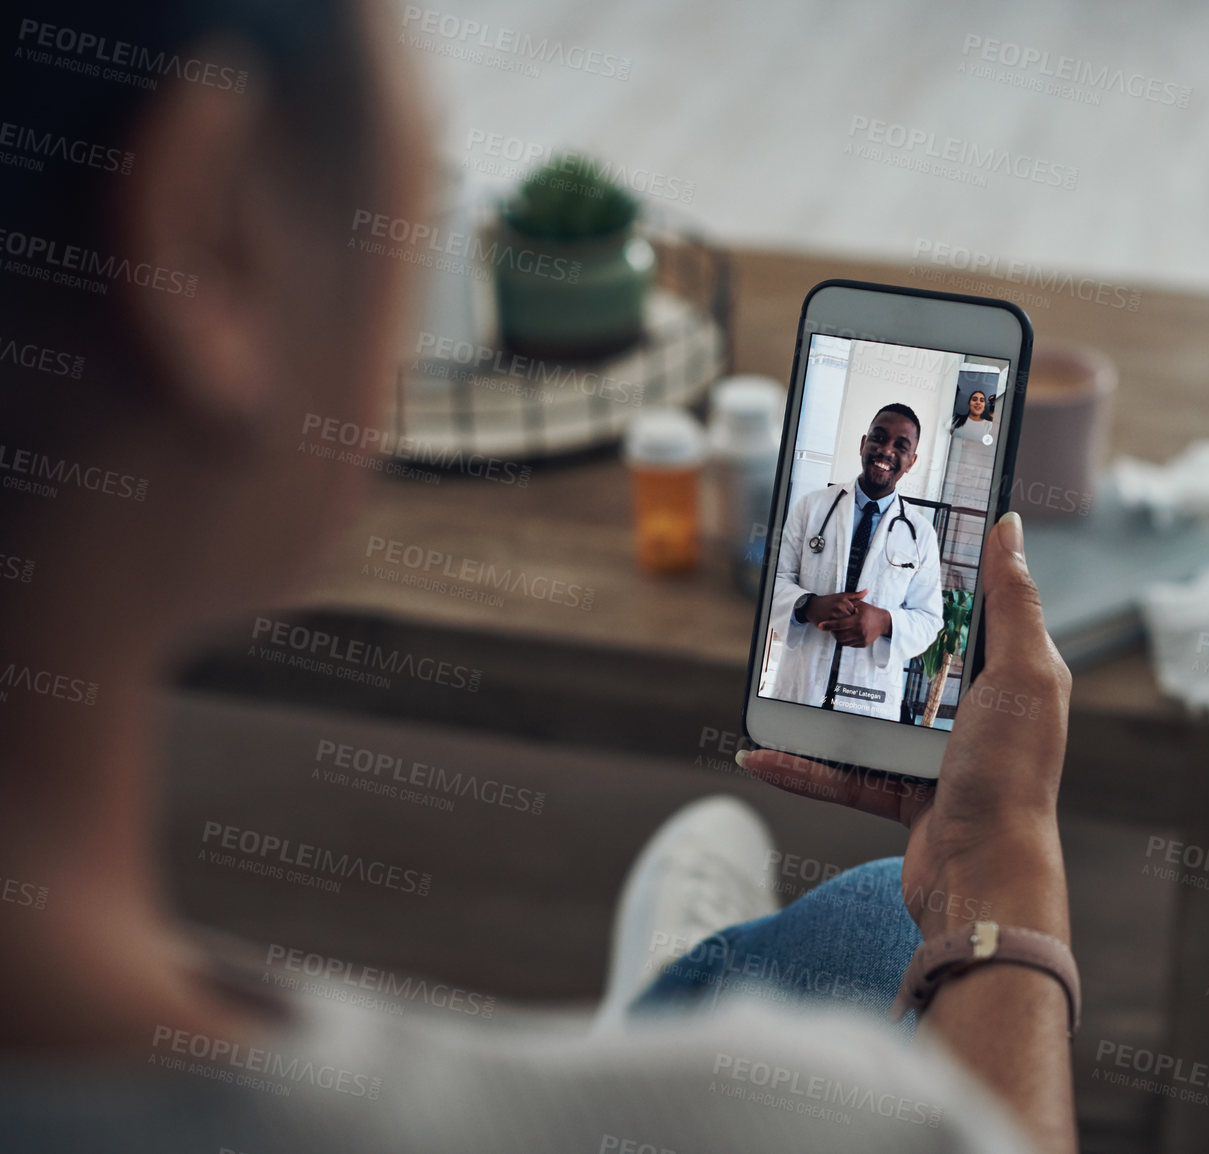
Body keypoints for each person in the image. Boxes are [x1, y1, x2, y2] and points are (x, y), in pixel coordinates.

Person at [0, 2, 1078, 1152]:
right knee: (877, 910)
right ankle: (663, 983)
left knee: (861, 899)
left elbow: (902, 622)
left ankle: (674, 969)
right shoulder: (816, 1126)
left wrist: (876, 622)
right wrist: (1004, 855)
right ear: (205, 231)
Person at [767, 404, 944, 719]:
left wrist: (884, 621)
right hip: (801, 687)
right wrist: (808, 605)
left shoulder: (921, 535)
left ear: (912, 461)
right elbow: (773, 581)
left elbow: (930, 620)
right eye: (878, 438)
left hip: (867, 697)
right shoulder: (812, 507)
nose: (886, 450)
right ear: (864, 443)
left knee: (853, 767)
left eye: (901, 446)